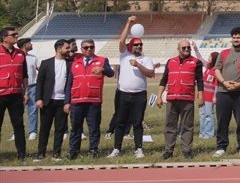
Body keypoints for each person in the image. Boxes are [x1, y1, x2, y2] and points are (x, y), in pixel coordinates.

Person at [108, 16, 154, 159]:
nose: (139, 47)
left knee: (137, 123)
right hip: (123, 94)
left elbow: (151, 74)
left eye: (140, 45)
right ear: (130, 46)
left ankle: (138, 148)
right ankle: (116, 148)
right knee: (120, 122)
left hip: (139, 95)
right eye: (136, 45)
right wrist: (128, 23)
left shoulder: (146, 59)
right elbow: (121, 41)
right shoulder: (124, 55)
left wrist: (139, 65)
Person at [67, 38, 115, 159]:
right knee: (75, 128)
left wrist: (103, 69)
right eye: (86, 47)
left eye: (91, 47)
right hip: (76, 100)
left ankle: (93, 150)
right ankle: (74, 151)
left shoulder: (102, 60)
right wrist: (66, 102)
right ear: (81, 49)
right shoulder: (75, 60)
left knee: (94, 128)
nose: (89, 49)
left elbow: (111, 73)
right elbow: (69, 83)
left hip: (93, 100)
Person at [157, 39, 203, 160]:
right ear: (178, 49)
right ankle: (168, 150)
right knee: (170, 125)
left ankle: (186, 150)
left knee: (187, 126)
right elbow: (164, 79)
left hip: (187, 99)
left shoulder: (196, 62)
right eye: (184, 48)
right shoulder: (170, 61)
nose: (187, 49)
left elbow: (200, 81)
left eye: (188, 47)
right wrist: (159, 96)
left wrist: (200, 96)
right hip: (172, 98)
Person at [213, 26, 240, 157]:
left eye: (238, 37)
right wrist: (224, 82)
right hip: (223, 92)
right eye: (234, 37)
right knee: (222, 121)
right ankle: (221, 146)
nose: (236, 39)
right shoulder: (223, 53)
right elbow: (217, 69)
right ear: (231, 39)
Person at [34, 39, 72, 161]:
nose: (69, 50)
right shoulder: (46, 63)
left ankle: (57, 153)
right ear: (59, 48)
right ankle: (41, 153)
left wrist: (68, 101)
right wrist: (39, 98)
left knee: (60, 129)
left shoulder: (69, 63)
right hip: (47, 101)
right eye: (66, 48)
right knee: (45, 128)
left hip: (62, 101)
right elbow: (39, 82)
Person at [0, 27, 28, 160]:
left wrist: (26, 92)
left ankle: (22, 154)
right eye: (13, 35)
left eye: (17, 34)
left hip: (16, 95)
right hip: (0, 95)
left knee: (18, 125)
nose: (17, 36)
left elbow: (25, 75)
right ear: (4, 38)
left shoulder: (20, 54)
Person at [192, 44, 218, 140]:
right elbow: (199, 57)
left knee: (209, 115)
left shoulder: (216, 71)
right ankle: (202, 133)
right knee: (202, 115)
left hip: (210, 97)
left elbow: (216, 85)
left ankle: (209, 133)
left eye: (210, 57)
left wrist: (215, 97)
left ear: (215, 58)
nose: (209, 58)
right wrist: (195, 47)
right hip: (202, 95)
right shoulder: (208, 66)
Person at [17, 37, 39, 141]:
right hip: (19, 87)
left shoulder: (33, 58)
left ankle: (33, 131)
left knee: (33, 109)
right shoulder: (17, 57)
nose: (32, 44)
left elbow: (40, 69)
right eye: (30, 43)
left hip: (33, 86)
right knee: (17, 110)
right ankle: (16, 132)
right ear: (25, 45)